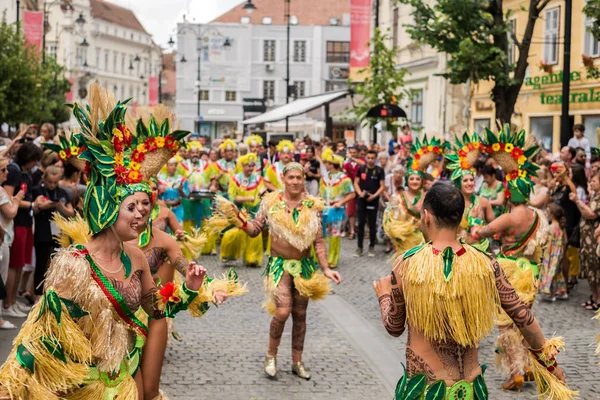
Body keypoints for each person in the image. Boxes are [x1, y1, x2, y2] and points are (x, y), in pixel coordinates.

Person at [0, 85, 206, 398]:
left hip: (124, 383)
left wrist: (189, 287)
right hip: (82, 388)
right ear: (107, 209)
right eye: (131, 207)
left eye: (144, 206)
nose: (140, 215)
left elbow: (155, 310)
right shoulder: (74, 264)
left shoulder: (135, 257)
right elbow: (43, 334)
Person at [373, 182, 573, 399]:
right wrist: (552, 367)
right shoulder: (485, 263)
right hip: (470, 391)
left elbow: (394, 326)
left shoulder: (408, 263)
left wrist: (384, 295)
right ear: (460, 217)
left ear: (427, 216)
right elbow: (522, 316)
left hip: (426, 390)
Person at [211, 162, 342, 380]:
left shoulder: (312, 205)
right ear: (283, 178)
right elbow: (254, 230)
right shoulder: (270, 202)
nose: (295, 182)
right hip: (279, 266)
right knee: (282, 312)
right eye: (290, 177)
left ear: (303, 179)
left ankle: (297, 361)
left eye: (299, 178)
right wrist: (240, 220)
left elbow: (318, 241)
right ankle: (270, 356)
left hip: (304, 267)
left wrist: (326, 268)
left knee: (300, 315)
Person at [472, 125, 550, 391]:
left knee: (506, 324)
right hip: (530, 271)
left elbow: (484, 231)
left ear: (509, 194)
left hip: (509, 270)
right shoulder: (535, 215)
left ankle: (515, 372)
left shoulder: (508, 217)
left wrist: (473, 228)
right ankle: (527, 367)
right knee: (525, 320)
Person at [1, 142, 42, 318]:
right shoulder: (15, 171)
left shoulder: (22, 172)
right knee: (13, 264)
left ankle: (13, 301)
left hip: (24, 221)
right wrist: (31, 204)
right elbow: (8, 199)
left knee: (19, 264)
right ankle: (8, 303)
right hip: (16, 223)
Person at [31, 166, 75, 301]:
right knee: (41, 263)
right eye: (50, 182)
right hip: (42, 230)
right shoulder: (37, 191)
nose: (52, 185)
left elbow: (71, 212)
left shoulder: (61, 192)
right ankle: (37, 295)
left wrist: (60, 207)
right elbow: (32, 210)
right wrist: (41, 207)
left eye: (55, 182)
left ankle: (53, 293)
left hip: (57, 232)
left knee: (56, 263)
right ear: (45, 179)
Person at [220, 153, 266, 267]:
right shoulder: (235, 179)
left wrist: (261, 197)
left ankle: (252, 258)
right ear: (242, 166)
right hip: (238, 212)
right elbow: (232, 197)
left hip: (254, 211)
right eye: (248, 165)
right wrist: (247, 198)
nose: (250, 168)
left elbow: (261, 194)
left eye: (252, 165)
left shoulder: (258, 179)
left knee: (255, 235)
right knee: (232, 234)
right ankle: (229, 254)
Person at [320, 148, 355, 268]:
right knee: (323, 234)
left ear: (332, 164)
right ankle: (322, 257)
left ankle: (333, 259)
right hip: (325, 209)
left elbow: (352, 194)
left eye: (326, 163)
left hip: (336, 210)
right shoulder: (325, 178)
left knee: (335, 234)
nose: (325, 165)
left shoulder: (344, 179)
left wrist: (341, 202)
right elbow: (321, 194)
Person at [571, 172, 600, 311]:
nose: (591, 183)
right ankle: (594, 297)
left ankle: (598, 299)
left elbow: (590, 214)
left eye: (594, 181)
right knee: (590, 269)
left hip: (594, 239)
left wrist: (577, 200)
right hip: (588, 239)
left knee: (596, 269)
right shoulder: (594, 196)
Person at [0, 158, 23, 329]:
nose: (6, 173)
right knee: (2, 278)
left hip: (4, 238)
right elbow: (10, 213)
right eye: (3, 170)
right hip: (2, 240)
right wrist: (17, 200)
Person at [354, 150, 385, 257]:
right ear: (366, 158)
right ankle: (359, 248)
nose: (370, 160)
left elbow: (382, 186)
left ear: (375, 158)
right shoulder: (361, 169)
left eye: (373, 158)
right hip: (362, 200)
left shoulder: (380, 170)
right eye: (369, 157)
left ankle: (372, 247)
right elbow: (356, 183)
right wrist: (359, 193)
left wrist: (374, 196)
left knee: (372, 225)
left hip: (373, 200)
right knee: (361, 224)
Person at [539, 203, 568, 301]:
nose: (546, 214)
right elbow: (565, 241)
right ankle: (561, 291)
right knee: (557, 272)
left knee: (549, 271)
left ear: (552, 214)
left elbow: (544, 241)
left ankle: (550, 292)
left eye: (547, 212)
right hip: (558, 252)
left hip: (550, 252)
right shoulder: (561, 227)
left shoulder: (550, 228)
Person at [157, 156, 189, 223]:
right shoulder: (159, 178)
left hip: (177, 209)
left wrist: (180, 190)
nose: (173, 167)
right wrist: (159, 191)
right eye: (171, 165)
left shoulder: (181, 179)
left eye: (175, 165)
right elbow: (153, 192)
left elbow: (186, 195)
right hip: (163, 209)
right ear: (167, 166)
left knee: (177, 230)